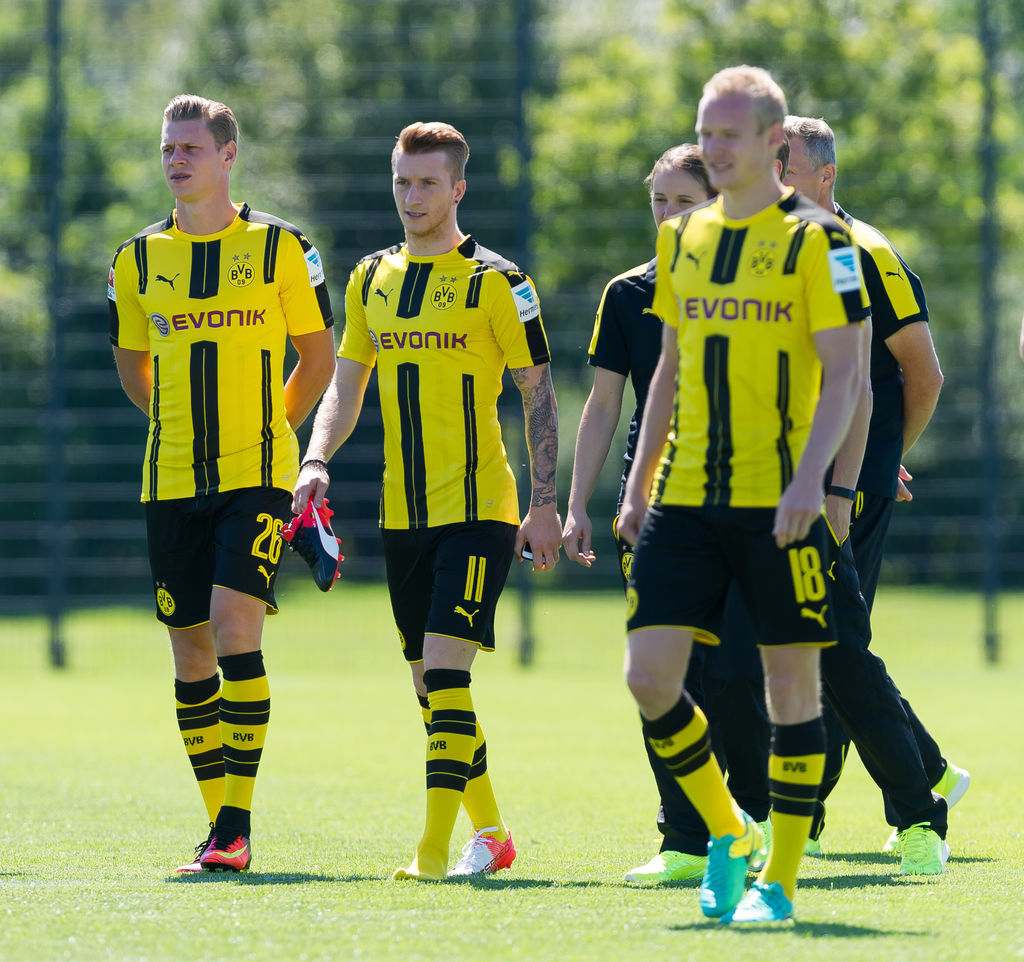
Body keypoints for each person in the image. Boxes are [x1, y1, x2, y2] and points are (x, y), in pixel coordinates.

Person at [617, 65, 870, 925]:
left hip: (779, 500)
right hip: (687, 496)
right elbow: (669, 370)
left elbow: (846, 374)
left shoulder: (823, 243)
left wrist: (813, 480)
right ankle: (729, 831)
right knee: (648, 677)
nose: (716, 149)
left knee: (789, 691)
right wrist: (642, 480)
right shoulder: (681, 240)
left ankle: (781, 883)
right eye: (707, 132)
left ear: (774, 144)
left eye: (732, 135)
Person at [292, 121, 561, 881]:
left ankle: (433, 853)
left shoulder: (498, 282)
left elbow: (537, 392)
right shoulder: (370, 276)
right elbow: (347, 383)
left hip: (479, 509)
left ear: (458, 189)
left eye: (428, 183)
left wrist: (544, 502)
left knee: (446, 676)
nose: (412, 196)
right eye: (402, 181)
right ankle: (495, 834)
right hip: (401, 515)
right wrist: (315, 459)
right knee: (428, 688)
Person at [108, 94, 337, 873]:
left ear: (228, 156)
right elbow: (132, 364)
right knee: (190, 652)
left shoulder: (281, 247)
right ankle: (221, 829)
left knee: (236, 627)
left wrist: (273, 430)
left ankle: (233, 827)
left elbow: (318, 356)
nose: (177, 159)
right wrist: (171, 420)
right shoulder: (135, 260)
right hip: (169, 479)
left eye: (192, 149)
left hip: (259, 475)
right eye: (169, 148)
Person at [563, 144, 788, 883]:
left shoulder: (762, 280)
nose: (667, 216)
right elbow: (603, 405)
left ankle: (749, 819)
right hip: (655, 507)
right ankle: (686, 840)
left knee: (731, 674)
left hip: (746, 497)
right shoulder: (627, 294)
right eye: (657, 202)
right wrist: (579, 504)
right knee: (662, 676)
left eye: (681, 202)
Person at [782, 115, 967, 852]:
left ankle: (907, 803)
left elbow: (924, 374)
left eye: (786, 163)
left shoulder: (866, 250)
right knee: (821, 638)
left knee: (829, 641)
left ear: (825, 175)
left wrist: (885, 457)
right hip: (791, 477)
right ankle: (914, 773)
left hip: (847, 485)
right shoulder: (773, 251)